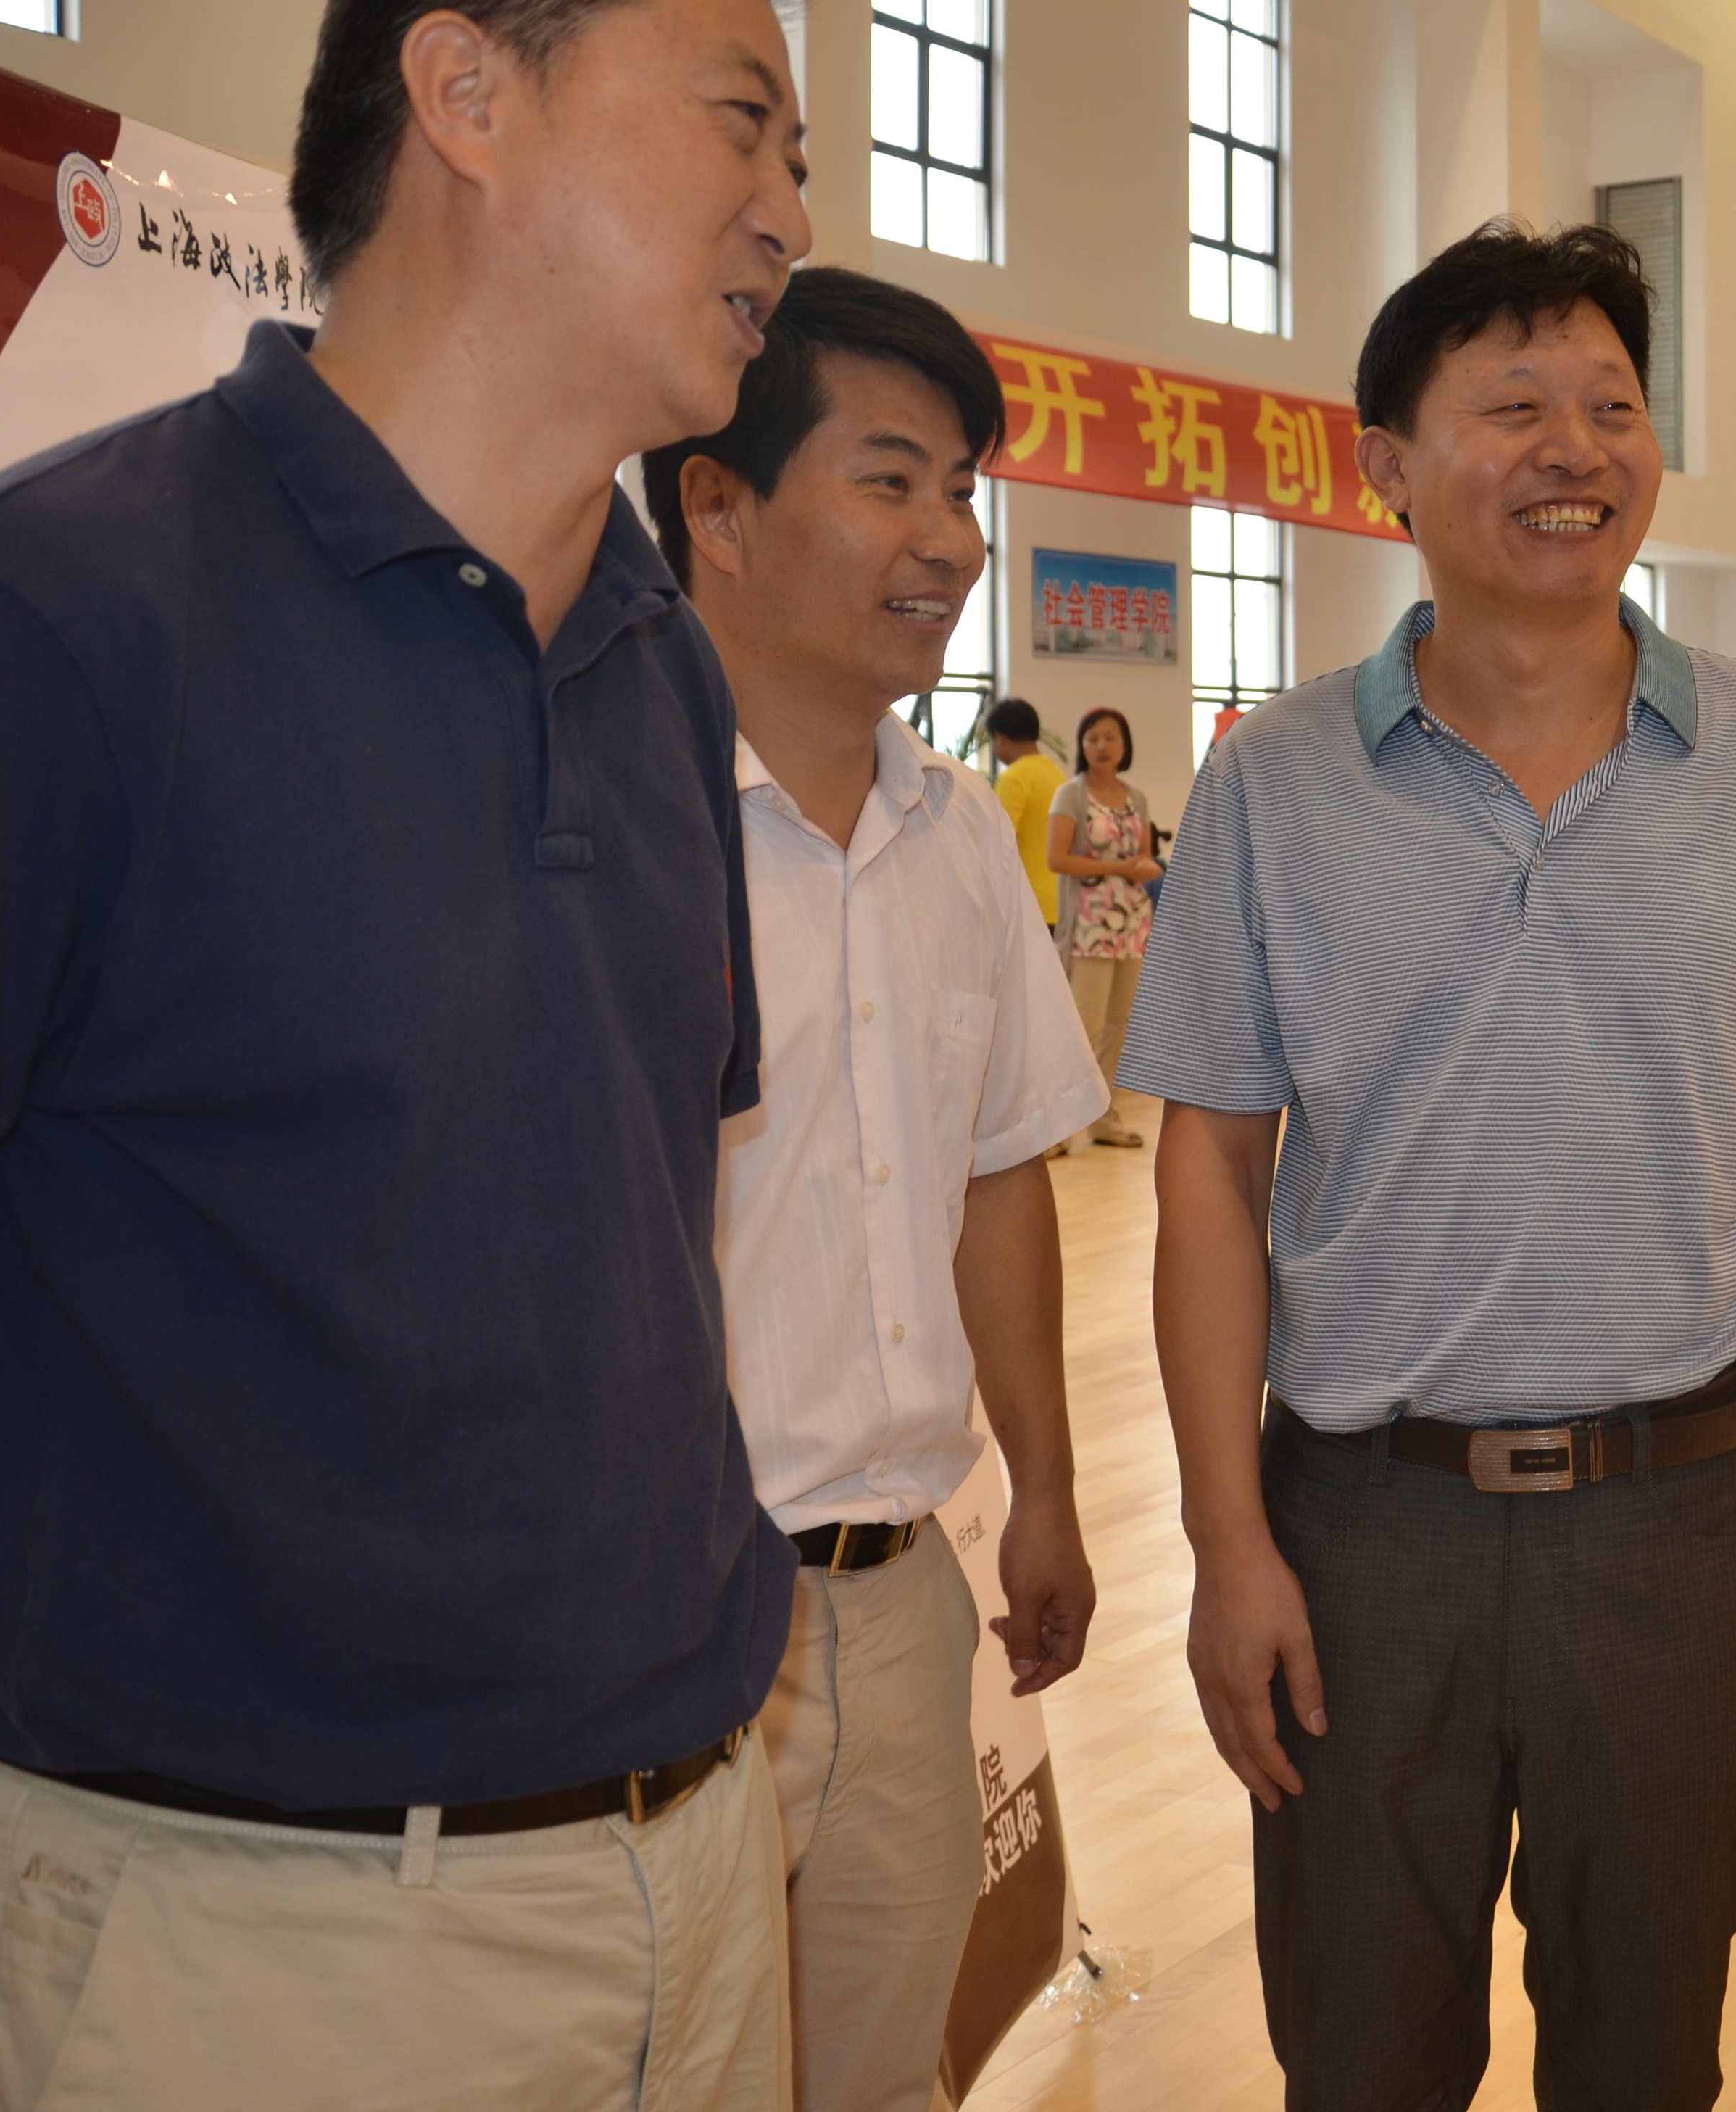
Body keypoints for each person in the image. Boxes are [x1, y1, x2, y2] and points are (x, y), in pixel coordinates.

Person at [0, 0, 814, 2110]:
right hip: (235, 1931)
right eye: (740, 122)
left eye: (804, 160)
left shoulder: (658, 668)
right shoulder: (30, 632)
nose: (790, 215)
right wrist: (126, 1572)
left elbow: (644, 1251)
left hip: (691, 1869)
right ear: (467, 94)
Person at [1123, 220, 1736, 2112]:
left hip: (1672, 1529)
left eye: (1612, 405)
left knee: (1646, 2056)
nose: (1576, 449)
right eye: (1515, 407)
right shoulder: (1275, 781)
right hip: (1364, 1533)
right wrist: (1226, 1540)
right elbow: (1209, 1171)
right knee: (1360, 2056)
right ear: (1386, 463)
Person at [646, 268, 1107, 2109]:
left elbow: (997, 1178)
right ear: (719, 502)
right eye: (892, 480)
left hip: (906, 1593)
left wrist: (1044, 1490)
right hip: (669, 1614)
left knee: (880, 2076)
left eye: (964, 492)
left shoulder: (954, 840)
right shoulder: (604, 820)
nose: (952, 540)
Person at [1050, 707, 1160, 1149]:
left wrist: (1147, 869)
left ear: (1124, 745)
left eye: (1111, 737)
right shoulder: (1070, 795)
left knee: (1119, 1027)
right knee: (1083, 1029)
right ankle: (1056, 1130)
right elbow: (1057, 859)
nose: (1101, 746)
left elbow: (1143, 858)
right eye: (1093, 738)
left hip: (1131, 926)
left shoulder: (1137, 797)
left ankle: (1103, 1119)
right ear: (1082, 745)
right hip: (1089, 930)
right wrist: (1120, 867)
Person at [987, 695, 1071, 932]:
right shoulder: (1055, 773)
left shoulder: (1014, 777)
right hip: (1058, 901)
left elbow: (999, 841)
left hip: (1029, 903)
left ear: (999, 738)